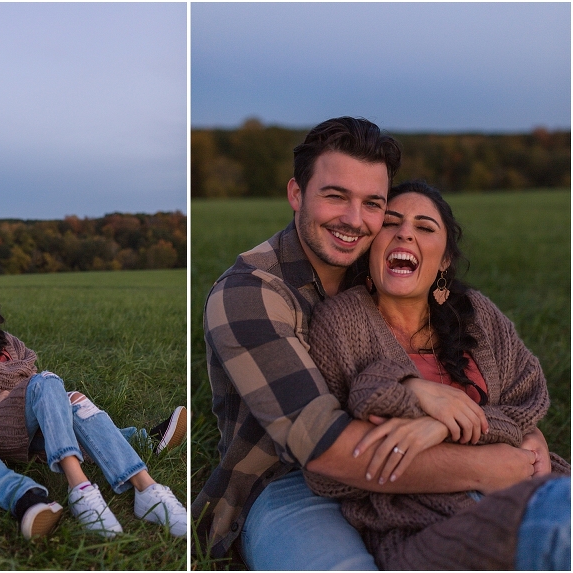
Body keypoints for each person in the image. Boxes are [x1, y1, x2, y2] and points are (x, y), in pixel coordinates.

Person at [191, 117, 551, 570]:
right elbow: (322, 447)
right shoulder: (250, 293)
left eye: (373, 203)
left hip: (416, 478)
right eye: (335, 196)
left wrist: (519, 430)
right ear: (296, 194)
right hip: (291, 484)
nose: (354, 219)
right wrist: (490, 463)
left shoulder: (380, 274)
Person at [302, 180, 570, 570]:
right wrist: (439, 411)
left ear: (444, 260)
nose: (406, 233)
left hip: (530, 489)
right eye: (391, 224)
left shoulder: (476, 313)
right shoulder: (340, 323)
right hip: (427, 528)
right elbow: (346, 452)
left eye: (425, 227)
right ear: (372, 245)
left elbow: (527, 400)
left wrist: (444, 428)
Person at [0, 251, 187, 540]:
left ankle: (142, 465)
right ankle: (25, 497)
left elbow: (26, 367)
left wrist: (13, 384)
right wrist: (7, 389)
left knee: (65, 401)